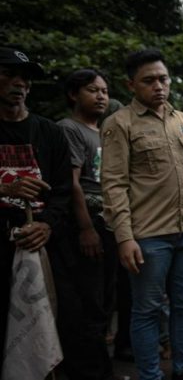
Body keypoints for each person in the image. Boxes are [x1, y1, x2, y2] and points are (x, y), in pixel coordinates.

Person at [100, 49, 183, 380]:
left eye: (163, 79)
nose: (159, 86)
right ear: (131, 85)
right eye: (149, 80)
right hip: (148, 237)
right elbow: (113, 185)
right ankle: (150, 375)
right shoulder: (119, 124)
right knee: (147, 311)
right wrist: (124, 237)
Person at [0, 47, 71, 366]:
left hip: (39, 247)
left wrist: (47, 225)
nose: (19, 83)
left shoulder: (50, 133)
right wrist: (5, 187)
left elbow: (64, 191)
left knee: (41, 331)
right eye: (9, 74)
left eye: (25, 77)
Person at [56, 68, 118, 379]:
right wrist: (85, 228)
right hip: (87, 223)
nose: (101, 96)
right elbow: (73, 183)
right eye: (93, 90)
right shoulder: (69, 129)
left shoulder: (104, 131)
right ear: (73, 95)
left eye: (105, 91)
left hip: (109, 223)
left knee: (106, 302)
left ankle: (101, 364)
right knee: (89, 302)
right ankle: (91, 371)